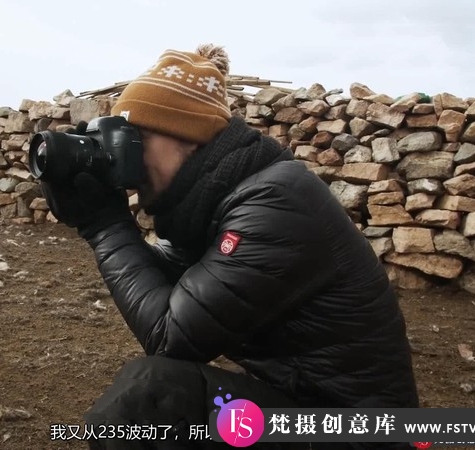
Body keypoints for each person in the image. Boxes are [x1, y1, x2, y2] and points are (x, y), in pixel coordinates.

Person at [39, 43, 419, 449]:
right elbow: (178, 286)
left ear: (188, 138)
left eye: (134, 139)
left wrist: (104, 226)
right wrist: (90, 215)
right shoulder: (218, 197)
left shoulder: (275, 204)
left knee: (151, 399)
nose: (122, 161)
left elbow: (171, 336)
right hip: (306, 405)